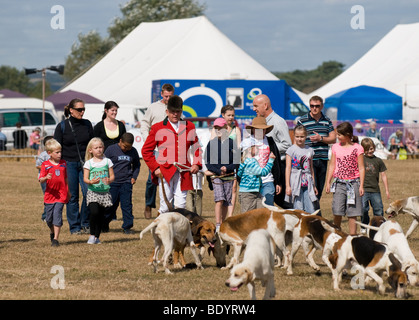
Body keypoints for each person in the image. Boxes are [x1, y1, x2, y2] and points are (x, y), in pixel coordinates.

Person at [142, 95, 201, 214]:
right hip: (165, 171)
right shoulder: (157, 127)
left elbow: (196, 148)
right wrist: (155, 168)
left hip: (184, 172)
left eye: (178, 112)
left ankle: (177, 232)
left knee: (181, 206)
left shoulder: (189, 126)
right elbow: (146, 151)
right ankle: (161, 231)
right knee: (165, 206)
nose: (175, 114)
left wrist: (197, 164)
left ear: (181, 111)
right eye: (172, 112)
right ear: (167, 111)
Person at [54, 98, 94, 234]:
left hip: (86, 164)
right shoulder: (62, 126)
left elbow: (92, 143)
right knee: (72, 197)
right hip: (68, 164)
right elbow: (56, 147)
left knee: (89, 193)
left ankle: (85, 223)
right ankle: (75, 227)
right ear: (71, 110)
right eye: (79, 109)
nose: (82, 112)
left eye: (83, 109)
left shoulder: (87, 124)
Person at [140, 83, 175, 219]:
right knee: (152, 179)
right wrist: (146, 138)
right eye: (166, 96)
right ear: (161, 94)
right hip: (155, 149)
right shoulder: (153, 107)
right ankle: (149, 205)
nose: (168, 99)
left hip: (170, 150)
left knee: (170, 178)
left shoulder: (175, 108)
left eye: (170, 96)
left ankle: (166, 207)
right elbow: (144, 123)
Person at [297, 96, 336, 213]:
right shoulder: (302, 120)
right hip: (308, 160)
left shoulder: (327, 120)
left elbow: (333, 138)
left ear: (322, 106)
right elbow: (296, 138)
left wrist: (321, 138)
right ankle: (315, 213)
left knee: (319, 189)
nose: (314, 108)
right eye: (312, 106)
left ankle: (312, 212)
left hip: (323, 159)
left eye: (317, 106)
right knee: (310, 188)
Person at [252, 94, 292, 208]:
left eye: (256, 106)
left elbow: (287, 145)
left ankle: (299, 218)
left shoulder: (277, 121)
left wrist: (268, 149)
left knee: (282, 201)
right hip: (267, 167)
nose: (253, 109)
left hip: (279, 166)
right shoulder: (262, 121)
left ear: (265, 106)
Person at [325, 122, 365, 235]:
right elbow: (332, 165)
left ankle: (353, 237)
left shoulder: (358, 148)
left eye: (339, 135)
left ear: (347, 135)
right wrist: (328, 182)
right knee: (337, 211)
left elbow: (361, 168)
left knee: (353, 213)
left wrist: (361, 185)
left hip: (354, 183)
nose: (337, 137)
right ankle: (337, 235)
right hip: (339, 184)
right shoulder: (335, 147)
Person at [205, 117, 240, 231]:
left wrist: (227, 168)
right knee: (219, 199)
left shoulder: (232, 143)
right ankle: (218, 223)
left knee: (226, 201)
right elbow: (208, 162)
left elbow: (236, 161)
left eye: (221, 128)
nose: (218, 130)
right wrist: (218, 170)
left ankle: (224, 223)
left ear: (226, 128)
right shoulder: (211, 144)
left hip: (229, 176)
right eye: (216, 128)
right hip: (216, 177)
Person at [104, 132, 141, 234]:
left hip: (126, 183)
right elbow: (104, 163)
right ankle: (104, 224)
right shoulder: (111, 149)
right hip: (113, 183)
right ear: (120, 141)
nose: (126, 149)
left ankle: (127, 227)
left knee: (127, 206)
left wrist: (134, 177)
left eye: (129, 147)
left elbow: (137, 165)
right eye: (125, 147)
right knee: (110, 206)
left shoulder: (133, 151)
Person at [243, 116, 282, 206]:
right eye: (257, 129)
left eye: (263, 129)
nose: (260, 131)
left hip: (267, 181)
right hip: (251, 182)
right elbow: (242, 163)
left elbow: (276, 163)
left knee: (267, 209)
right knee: (253, 211)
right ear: (253, 129)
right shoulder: (247, 142)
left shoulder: (270, 141)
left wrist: (278, 182)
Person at [38, 138, 70, 247]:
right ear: (49, 153)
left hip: (61, 195)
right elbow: (40, 179)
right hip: (50, 195)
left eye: (60, 152)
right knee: (49, 219)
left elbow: (65, 178)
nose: (60, 154)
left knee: (57, 215)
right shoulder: (45, 164)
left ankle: (56, 239)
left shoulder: (63, 163)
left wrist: (68, 191)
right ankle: (52, 232)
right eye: (57, 152)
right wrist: (46, 177)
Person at [210, 105, 241, 217]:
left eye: (233, 115)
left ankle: (230, 216)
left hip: (232, 163)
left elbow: (238, 146)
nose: (231, 117)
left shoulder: (235, 129)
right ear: (223, 115)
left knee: (233, 190)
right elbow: (212, 145)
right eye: (229, 115)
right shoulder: (216, 129)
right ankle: (221, 220)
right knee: (221, 196)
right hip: (219, 165)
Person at [83, 137, 114, 244]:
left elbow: (112, 176)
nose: (99, 149)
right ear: (90, 150)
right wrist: (91, 182)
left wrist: (109, 180)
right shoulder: (89, 163)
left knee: (101, 215)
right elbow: (85, 179)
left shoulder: (107, 161)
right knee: (94, 212)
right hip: (93, 192)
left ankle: (97, 236)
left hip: (104, 192)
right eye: (96, 148)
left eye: (100, 147)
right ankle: (91, 235)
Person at [285, 125, 318, 213]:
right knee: (298, 208)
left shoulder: (310, 150)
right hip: (296, 183)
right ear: (294, 136)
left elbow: (311, 168)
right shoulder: (291, 150)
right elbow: (288, 168)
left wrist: (314, 185)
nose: (300, 139)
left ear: (306, 136)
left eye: (302, 136)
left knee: (310, 209)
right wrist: (288, 186)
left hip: (308, 183)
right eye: (297, 136)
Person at [237, 138, 275, 213]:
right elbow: (263, 172)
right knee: (247, 217)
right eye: (256, 147)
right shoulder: (250, 163)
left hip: (254, 192)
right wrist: (270, 161)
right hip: (248, 194)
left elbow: (239, 174)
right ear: (249, 150)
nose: (259, 149)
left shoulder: (247, 162)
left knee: (259, 212)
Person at [360, 138, 390, 233]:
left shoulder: (378, 161)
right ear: (363, 150)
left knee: (378, 210)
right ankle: (364, 225)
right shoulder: (360, 160)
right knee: (363, 209)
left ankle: (379, 227)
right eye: (367, 149)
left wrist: (386, 190)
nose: (370, 151)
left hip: (375, 190)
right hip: (363, 189)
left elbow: (383, 175)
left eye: (371, 148)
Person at [36, 135, 54, 221]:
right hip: (44, 179)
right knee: (48, 197)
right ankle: (45, 215)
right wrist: (47, 167)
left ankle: (52, 214)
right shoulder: (43, 155)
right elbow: (37, 166)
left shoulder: (56, 154)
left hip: (54, 179)